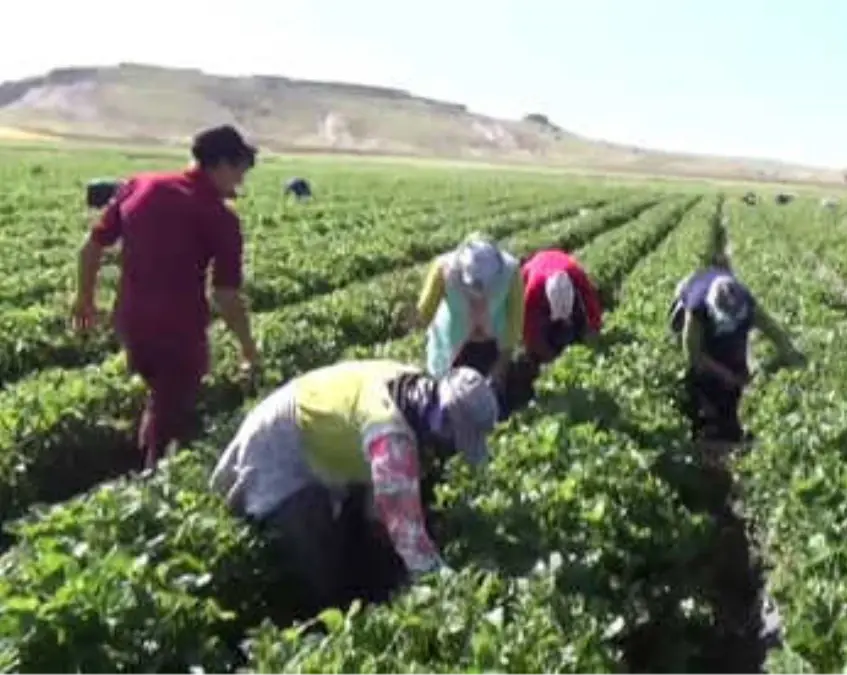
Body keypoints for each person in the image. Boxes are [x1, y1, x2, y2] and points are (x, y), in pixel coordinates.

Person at [209, 361, 500, 617]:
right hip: (279, 447)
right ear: (442, 422)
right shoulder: (390, 437)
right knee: (318, 555)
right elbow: (410, 540)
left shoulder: (414, 383)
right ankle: (328, 620)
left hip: (311, 420)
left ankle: (360, 586)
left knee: (364, 535)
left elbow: (386, 505)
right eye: (455, 439)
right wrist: (454, 590)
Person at [71, 124, 260, 470]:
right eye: (239, 172)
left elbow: (91, 246)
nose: (239, 184)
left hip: (129, 322)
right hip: (179, 331)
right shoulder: (220, 218)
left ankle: (138, 457)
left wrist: (85, 299)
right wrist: (248, 349)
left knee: (158, 393)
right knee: (171, 413)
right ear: (220, 164)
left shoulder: (141, 185)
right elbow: (226, 296)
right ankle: (152, 482)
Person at [670, 264, 805, 449]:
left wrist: (790, 353)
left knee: (732, 359)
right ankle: (705, 420)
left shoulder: (746, 302)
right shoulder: (697, 308)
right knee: (702, 377)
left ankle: (730, 419)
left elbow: (773, 330)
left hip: (723, 319)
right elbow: (694, 356)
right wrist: (726, 375)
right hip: (692, 307)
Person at [417, 234, 524, 381]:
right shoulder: (443, 268)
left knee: (488, 391)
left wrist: (501, 366)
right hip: (451, 343)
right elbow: (425, 311)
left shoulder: (511, 270)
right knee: (446, 390)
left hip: (493, 344)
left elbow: (514, 322)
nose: (479, 296)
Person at [521, 249, 602, 365]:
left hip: (560, 259)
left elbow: (592, 307)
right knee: (538, 341)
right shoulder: (532, 291)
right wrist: (552, 359)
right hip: (536, 267)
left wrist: (593, 335)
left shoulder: (576, 275)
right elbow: (529, 332)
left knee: (575, 327)